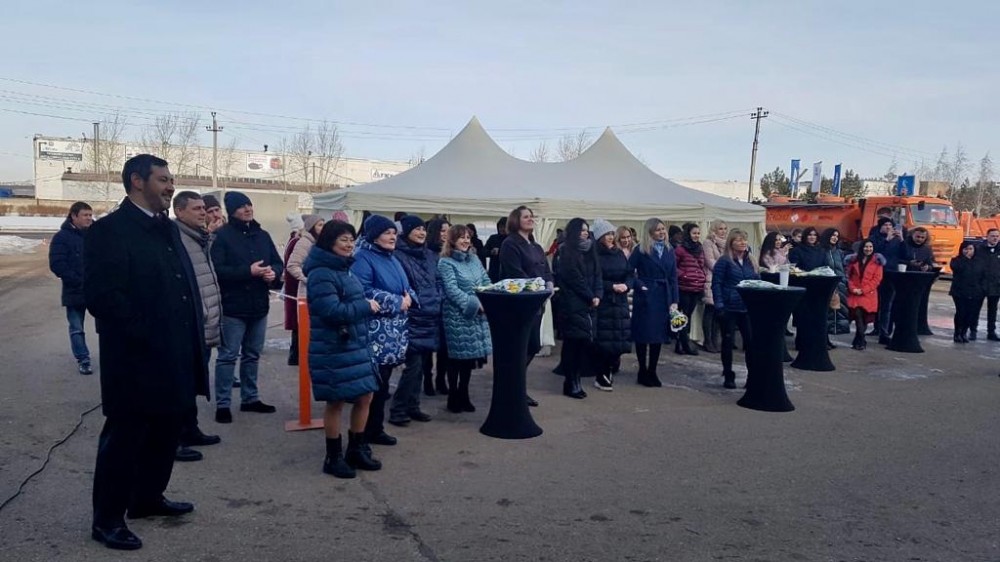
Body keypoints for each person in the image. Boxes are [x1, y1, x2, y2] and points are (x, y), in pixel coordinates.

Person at [85, 154, 207, 550]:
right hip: (135, 360)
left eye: (171, 180)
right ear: (137, 181)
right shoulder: (109, 231)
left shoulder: (166, 228)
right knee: (125, 441)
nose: (171, 186)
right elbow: (103, 297)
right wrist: (147, 333)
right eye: (163, 179)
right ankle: (107, 520)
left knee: (165, 433)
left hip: (175, 353)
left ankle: (147, 499)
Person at [304, 220, 382, 479]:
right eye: (343, 240)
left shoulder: (345, 269)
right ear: (329, 241)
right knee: (336, 400)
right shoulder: (321, 273)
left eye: (351, 240)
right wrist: (365, 307)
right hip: (334, 346)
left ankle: (356, 449)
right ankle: (333, 457)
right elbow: (330, 311)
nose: (349, 245)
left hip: (355, 344)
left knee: (365, 396)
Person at [210, 191, 283, 423]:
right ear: (232, 211)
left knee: (252, 355)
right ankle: (223, 403)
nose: (247, 209)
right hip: (233, 307)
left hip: (259, 306)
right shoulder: (221, 237)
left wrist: (274, 273)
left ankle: (250, 398)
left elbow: (278, 262)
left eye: (249, 205)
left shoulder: (262, 235)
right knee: (228, 356)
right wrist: (247, 272)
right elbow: (216, 270)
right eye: (242, 206)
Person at [171, 191, 224, 463]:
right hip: (189, 324)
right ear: (179, 212)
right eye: (196, 209)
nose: (203, 213)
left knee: (192, 382)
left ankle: (190, 430)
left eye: (204, 208)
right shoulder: (177, 239)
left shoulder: (198, 238)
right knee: (180, 385)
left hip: (204, 321)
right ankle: (175, 440)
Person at [352, 214, 413, 446]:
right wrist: (397, 301)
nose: (392, 237)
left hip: (393, 332)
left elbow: (406, 287)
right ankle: (366, 432)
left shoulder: (391, 257)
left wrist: (409, 298)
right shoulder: (362, 257)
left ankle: (375, 428)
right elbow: (362, 290)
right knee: (374, 385)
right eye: (387, 233)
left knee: (383, 383)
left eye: (394, 233)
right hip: (375, 332)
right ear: (374, 235)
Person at [499, 205, 553, 407]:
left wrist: (549, 284)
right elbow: (515, 273)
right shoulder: (510, 244)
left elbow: (546, 270)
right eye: (526, 217)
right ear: (516, 220)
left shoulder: (536, 246)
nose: (531, 219)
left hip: (537, 303)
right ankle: (513, 390)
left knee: (533, 346)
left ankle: (516, 386)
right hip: (520, 304)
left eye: (532, 216)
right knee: (519, 349)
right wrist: (538, 286)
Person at [389, 215, 441, 425]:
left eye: (423, 229)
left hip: (430, 315)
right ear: (407, 231)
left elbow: (438, 280)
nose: (421, 233)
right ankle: (398, 410)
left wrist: (438, 297)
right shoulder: (397, 255)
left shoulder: (429, 255)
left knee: (420, 366)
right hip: (411, 317)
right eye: (417, 229)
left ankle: (413, 406)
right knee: (413, 365)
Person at [438, 224, 492, 412]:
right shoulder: (445, 262)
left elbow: (485, 281)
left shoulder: (474, 259)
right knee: (456, 359)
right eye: (462, 237)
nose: (466, 241)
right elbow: (451, 289)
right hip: (457, 315)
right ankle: (453, 396)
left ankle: (464, 394)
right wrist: (474, 304)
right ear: (452, 240)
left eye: (468, 237)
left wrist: (488, 299)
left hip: (477, 316)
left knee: (469, 359)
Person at [554, 218, 601, 399]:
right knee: (573, 342)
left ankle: (576, 379)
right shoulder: (566, 251)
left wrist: (597, 295)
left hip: (589, 303)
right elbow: (573, 278)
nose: (585, 233)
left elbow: (598, 273)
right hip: (573, 303)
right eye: (582, 230)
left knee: (582, 343)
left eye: (587, 230)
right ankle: (571, 381)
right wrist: (590, 296)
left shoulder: (591, 249)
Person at [628, 218, 679, 387]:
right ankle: (642, 370)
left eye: (663, 229)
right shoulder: (640, 250)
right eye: (658, 230)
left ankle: (653, 370)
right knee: (643, 334)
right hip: (646, 296)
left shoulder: (669, 250)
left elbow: (673, 277)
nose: (662, 232)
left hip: (663, 295)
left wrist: (674, 300)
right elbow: (628, 271)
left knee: (658, 335)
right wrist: (640, 285)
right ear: (649, 232)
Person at [49, 201, 94, 375]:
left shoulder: (96, 235)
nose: (89, 218)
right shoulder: (62, 237)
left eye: (90, 215)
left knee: (109, 325)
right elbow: (57, 264)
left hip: (96, 289)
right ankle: (83, 360)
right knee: (76, 328)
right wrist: (76, 280)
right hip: (74, 290)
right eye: (85, 215)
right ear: (74, 216)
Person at [711, 229, 759, 389]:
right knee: (728, 341)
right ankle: (728, 374)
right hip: (729, 306)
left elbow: (757, 280)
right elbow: (716, 283)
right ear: (731, 243)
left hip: (747, 307)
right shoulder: (724, 261)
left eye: (744, 240)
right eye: (738, 240)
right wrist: (719, 304)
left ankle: (752, 376)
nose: (742, 243)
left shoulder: (751, 260)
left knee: (750, 342)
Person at [591, 219, 632, 391]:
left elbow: (629, 273)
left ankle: (610, 368)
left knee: (618, 338)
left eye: (611, 233)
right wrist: (611, 286)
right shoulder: (594, 255)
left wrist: (627, 285)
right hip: (604, 301)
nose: (610, 237)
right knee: (604, 341)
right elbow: (593, 279)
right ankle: (601, 373)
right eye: (606, 234)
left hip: (620, 301)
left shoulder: (619, 253)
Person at [285, 214, 325, 366]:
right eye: (320, 225)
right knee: (304, 327)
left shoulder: (319, 242)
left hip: (318, 291)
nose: (323, 228)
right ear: (311, 227)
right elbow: (292, 265)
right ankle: (299, 358)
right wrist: (308, 279)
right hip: (307, 292)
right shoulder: (304, 242)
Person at [423, 217, 452, 396]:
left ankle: (441, 378)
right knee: (427, 346)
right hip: (431, 305)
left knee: (445, 347)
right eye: (442, 230)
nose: (446, 234)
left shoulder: (449, 253)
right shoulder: (426, 253)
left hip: (447, 306)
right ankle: (427, 378)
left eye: (448, 230)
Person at [845, 239, 884, 350]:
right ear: (861, 248)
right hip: (855, 293)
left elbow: (877, 279)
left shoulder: (877, 262)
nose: (868, 249)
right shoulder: (853, 260)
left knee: (864, 318)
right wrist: (853, 289)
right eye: (866, 247)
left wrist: (863, 290)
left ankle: (858, 340)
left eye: (870, 247)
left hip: (869, 294)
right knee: (857, 314)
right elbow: (848, 276)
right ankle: (862, 339)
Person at [673, 222, 705, 356]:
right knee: (682, 315)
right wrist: (684, 275)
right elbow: (673, 267)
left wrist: (701, 277)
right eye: (694, 233)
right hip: (684, 286)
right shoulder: (680, 249)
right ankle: (683, 344)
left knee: (688, 316)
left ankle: (681, 343)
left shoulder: (700, 249)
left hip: (696, 287)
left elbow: (701, 266)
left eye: (698, 233)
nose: (696, 235)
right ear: (688, 234)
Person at [871, 217, 904, 344]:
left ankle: (884, 332)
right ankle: (875, 327)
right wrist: (886, 240)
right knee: (875, 303)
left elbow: (905, 254)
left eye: (890, 225)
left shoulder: (897, 240)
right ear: (880, 227)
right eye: (886, 225)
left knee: (887, 305)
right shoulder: (874, 239)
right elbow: (874, 253)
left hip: (891, 274)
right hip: (876, 274)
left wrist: (902, 240)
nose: (888, 227)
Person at [281, 212, 306, 366]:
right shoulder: (298, 242)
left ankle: (295, 355)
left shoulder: (292, 241)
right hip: (296, 287)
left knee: (297, 323)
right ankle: (295, 355)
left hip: (292, 286)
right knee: (299, 322)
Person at [950, 241, 985, 344]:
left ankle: (964, 332)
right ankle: (957, 333)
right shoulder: (956, 260)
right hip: (959, 291)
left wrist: (981, 289)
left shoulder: (979, 261)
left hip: (975, 291)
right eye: (966, 249)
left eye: (970, 249)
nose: (968, 251)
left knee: (970, 313)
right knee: (961, 312)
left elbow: (983, 275)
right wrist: (966, 259)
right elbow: (957, 269)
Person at [701, 220, 728, 353]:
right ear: (714, 230)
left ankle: (715, 340)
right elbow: (710, 261)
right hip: (711, 279)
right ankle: (708, 341)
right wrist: (725, 268)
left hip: (724, 280)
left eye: (725, 228)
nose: (723, 231)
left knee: (718, 312)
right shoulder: (708, 243)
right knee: (710, 310)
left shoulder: (727, 244)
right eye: (720, 228)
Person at [821, 228, 850, 344]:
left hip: (840, 285)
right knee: (826, 313)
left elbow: (844, 268)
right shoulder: (822, 251)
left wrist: (845, 281)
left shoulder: (839, 252)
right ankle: (824, 339)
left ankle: (829, 337)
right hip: (827, 284)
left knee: (836, 312)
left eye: (837, 236)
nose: (835, 238)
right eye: (833, 235)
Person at [974, 228, 1000, 341]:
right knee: (975, 309)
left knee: (993, 310)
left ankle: (991, 332)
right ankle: (973, 330)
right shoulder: (979, 249)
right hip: (980, 285)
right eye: (993, 236)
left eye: (997, 236)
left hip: (996, 285)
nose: (995, 238)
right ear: (987, 236)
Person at [483, 217, 508, 283]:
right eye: (500, 227)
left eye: (504, 227)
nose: (502, 229)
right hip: (494, 270)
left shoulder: (511, 239)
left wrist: (500, 251)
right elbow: (483, 252)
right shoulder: (493, 238)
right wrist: (491, 252)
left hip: (507, 271)